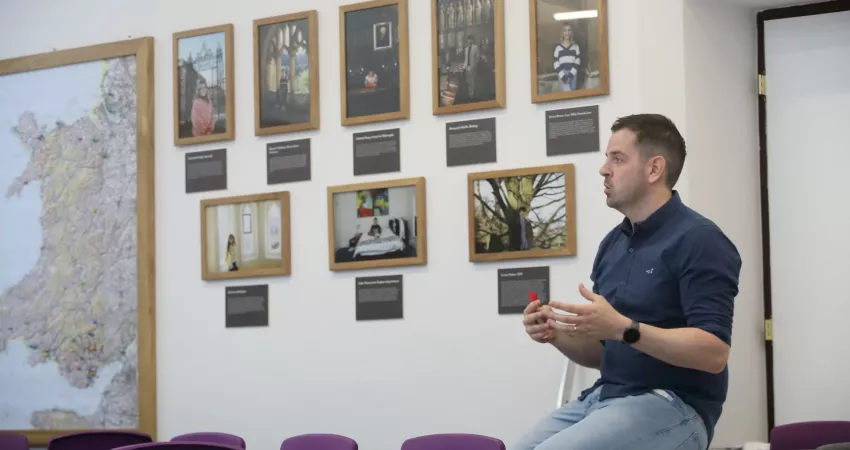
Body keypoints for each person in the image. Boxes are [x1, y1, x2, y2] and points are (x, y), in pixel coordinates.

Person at [515, 114, 742, 450]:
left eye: (617, 159)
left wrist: (624, 328)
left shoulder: (700, 240)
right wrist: (555, 334)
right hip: (605, 397)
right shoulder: (613, 244)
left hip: (673, 405)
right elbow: (602, 353)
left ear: (654, 169)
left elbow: (713, 353)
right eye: (607, 158)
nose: (604, 169)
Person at [553, 23, 580, 91]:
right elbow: (556, 63)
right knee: (567, 96)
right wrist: (563, 77)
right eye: (565, 30)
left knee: (573, 96)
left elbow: (577, 62)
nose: (567, 32)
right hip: (562, 74)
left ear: (571, 32)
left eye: (569, 30)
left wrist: (570, 75)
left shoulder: (576, 47)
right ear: (562, 33)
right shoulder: (558, 48)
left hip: (573, 74)